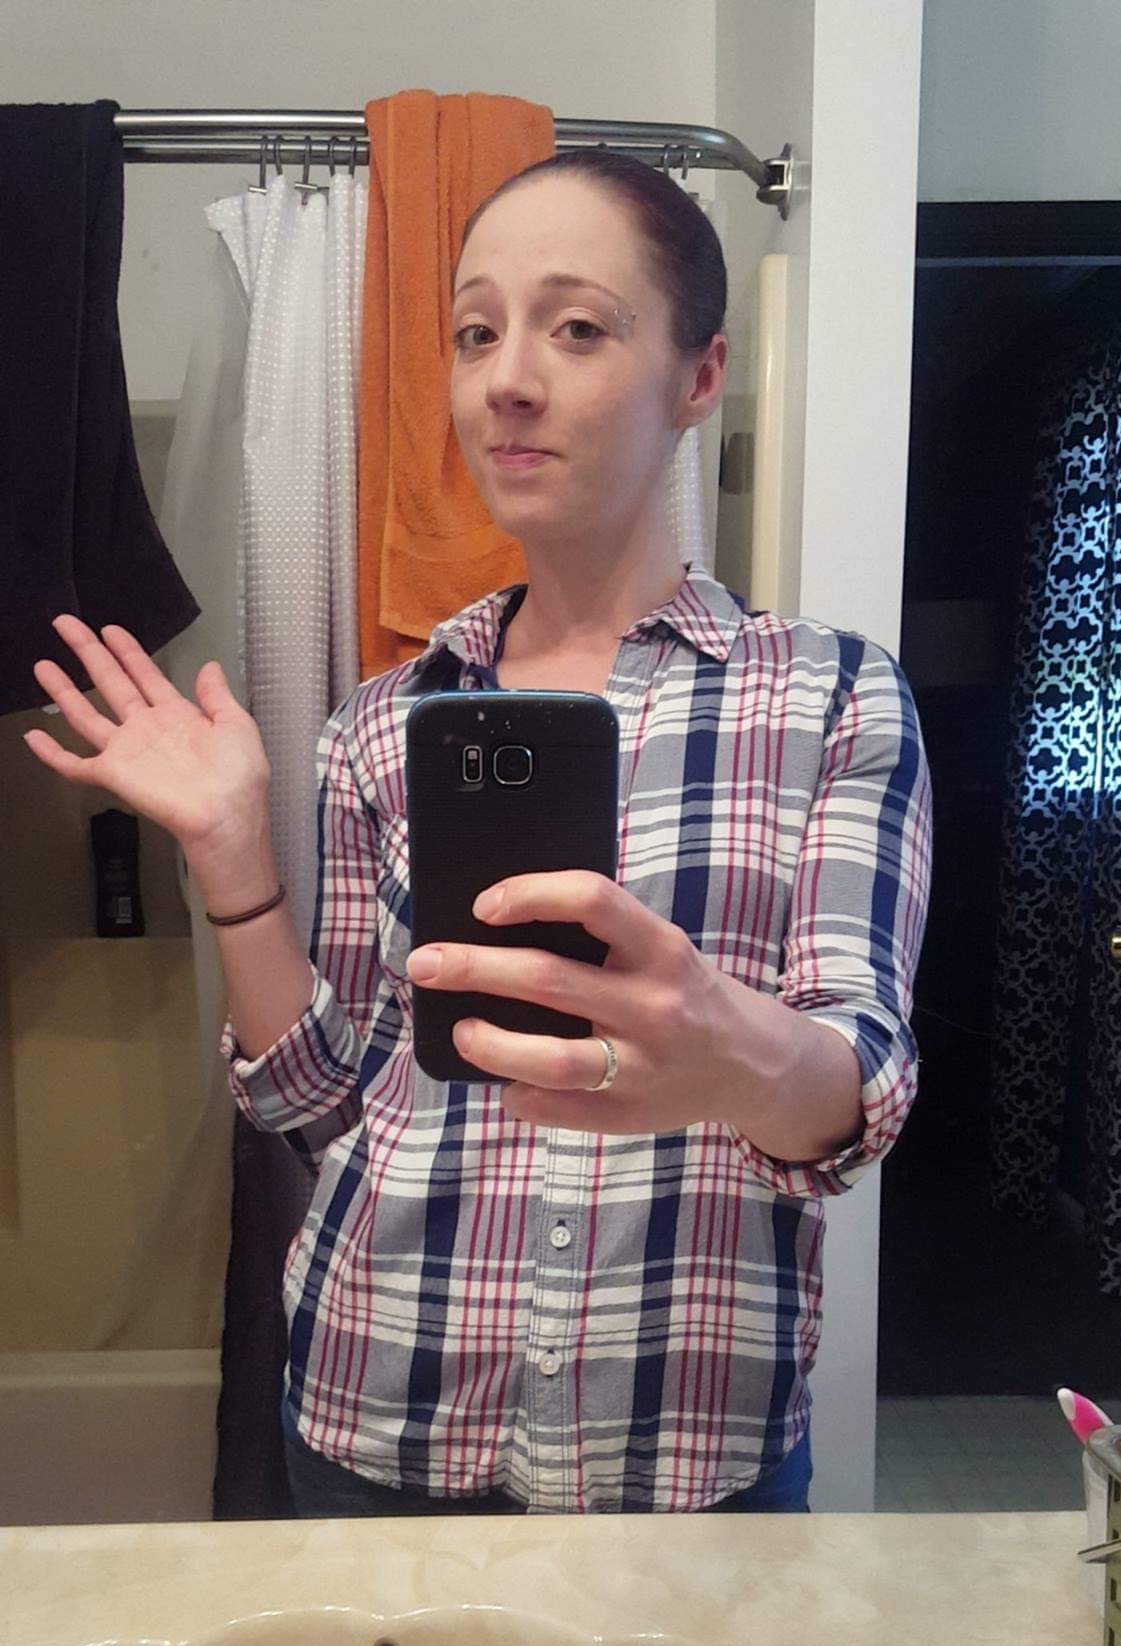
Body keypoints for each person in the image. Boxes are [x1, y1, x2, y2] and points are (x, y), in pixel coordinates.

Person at [22, 149, 931, 1519]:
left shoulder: (831, 698)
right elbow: (322, 1102)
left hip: (683, 1447)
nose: (507, 378)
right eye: (474, 331)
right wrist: (234, 861)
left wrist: (726, 1047)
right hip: (375, 1413)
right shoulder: (383, 725)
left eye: (578, 327)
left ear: (700, 378)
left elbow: (856, 1091)